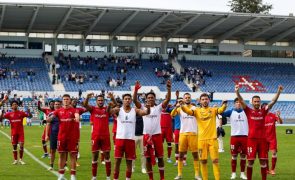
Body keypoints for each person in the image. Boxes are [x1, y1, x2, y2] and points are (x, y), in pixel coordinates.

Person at [235, 85, 283, 180]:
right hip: (251, 141)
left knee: (263, 162)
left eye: (258, 101)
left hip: (263, 141)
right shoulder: (248, 111)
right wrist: (237, 92)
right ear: (252, 102)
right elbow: (241, 100)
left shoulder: (263, 111)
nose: (257, 103)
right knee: (250, 162)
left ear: (260, 102)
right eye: (255, 101)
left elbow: (273, 101)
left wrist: (279, 91)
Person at [181, 93, 228, 180]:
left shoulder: (213, 110)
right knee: (203, 161)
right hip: (201, 141)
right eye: (203, 99)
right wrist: (182, 105)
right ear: (200, 101)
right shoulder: (197, 111)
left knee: (215, 161)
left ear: (209, 100)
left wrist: (224, 104)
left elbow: (221, 110)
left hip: (213, 140)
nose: (205, 101)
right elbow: (188, 111)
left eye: (206, 99)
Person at [133, 80, 171, 180]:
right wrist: (136, 90)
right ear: (146, 99)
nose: (150, 99)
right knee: (148, 159)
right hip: (146, 136)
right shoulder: (142, 107)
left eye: (152, 97)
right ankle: (151, 178)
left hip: (157, 136)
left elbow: (167, 100)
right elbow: (134, 100)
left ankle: (162, 178)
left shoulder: (158, 108)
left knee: (160, 157)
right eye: (148, 97)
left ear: (154, 99)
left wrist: (168, 89)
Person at [109, 93, 150, 180]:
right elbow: (109, 112)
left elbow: (146, 112)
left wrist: (148, 107)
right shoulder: (118, 110)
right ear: (123, 100)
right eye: (125, 99)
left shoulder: (135, 110)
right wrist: (109, 106)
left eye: (129, 99)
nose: (127, 100)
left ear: (131, 100)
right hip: (120, 139)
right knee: (117, 162)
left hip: (130, 140)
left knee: (129, 163)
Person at [83, 92, 116, 180]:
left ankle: (108, 177)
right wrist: (87, 97)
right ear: (96, 101)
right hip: (95, 136)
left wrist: (112, 98)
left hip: (105, 136)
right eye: (99, 100)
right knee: (95, 156)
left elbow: (116, 106)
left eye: (102, 100)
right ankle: (94, 177)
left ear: (104, 101)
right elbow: (85, 104)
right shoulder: (92, 109)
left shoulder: (107, 109)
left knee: (107, 156)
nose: (100, 102)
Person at [47, 94, 80, 180]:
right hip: (61, 137)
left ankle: (73, 175)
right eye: (64, 99)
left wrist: (76, 118)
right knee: (61, 155)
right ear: (62, 101)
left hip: (72, 137)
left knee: (72, 155)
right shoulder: (58, 111)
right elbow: (50, 118)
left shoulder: (74, 110)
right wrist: (48, 119)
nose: (66, 100)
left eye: (67, 99)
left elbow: (77, 116)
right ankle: (61, 174)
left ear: (70, 100)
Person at [171, 93, 201, 180]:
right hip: (183, 133)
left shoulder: (195, 108)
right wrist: (176, 106)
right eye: (186, 98)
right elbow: (172, 115)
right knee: (180, 155)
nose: (187, 99)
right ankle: (179, 174)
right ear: (183, 99)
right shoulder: (180, 108)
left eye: (189, 97)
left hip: (193, 133)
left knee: (195, 154)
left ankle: (197, 174)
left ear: (190, 99)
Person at [222, 98, 248, 180]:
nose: (238, 104)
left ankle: (242, 173)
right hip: (234, 137)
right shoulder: (230, 111)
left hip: (244, 136)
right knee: (234, 156)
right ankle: (233, 173)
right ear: (234, 104)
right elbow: (221, 113)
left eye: (240, 102)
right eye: (237, 102)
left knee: (243, 156)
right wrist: (223, 104)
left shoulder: (246, 111)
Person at [1, 99, 32, 165]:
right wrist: (2, 114)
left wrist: (29, 112)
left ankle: (20, 160)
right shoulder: (9, 114)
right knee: (14, 146)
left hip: (21, 133)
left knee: (21, 145)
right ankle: (15, 160)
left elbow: (30, 116)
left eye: (16, 104)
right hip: (13, 133)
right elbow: (1, 119)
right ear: (11, 106)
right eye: (13, 105)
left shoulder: (21, 113)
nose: (15, 105)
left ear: (17, 105)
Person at [132, 86, 147, 174]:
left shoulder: (143, 113)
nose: (136, 108)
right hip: (133, 136)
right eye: (135, 107)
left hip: (142, 135)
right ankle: (133, 167)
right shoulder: (132, 114)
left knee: (143, 153)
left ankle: (143, 168)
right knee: (133, 153)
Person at [264, 108, 283, 176]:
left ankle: (272, 170)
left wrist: (279, 116)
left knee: (274, 153)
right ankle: (266, 169)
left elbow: (281, 122)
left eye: (267, 108)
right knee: (265, 155)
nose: (266, 109)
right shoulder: (261, 116)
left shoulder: (273, 115)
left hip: (272, 138)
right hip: (264, 139)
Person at [45, 100, 62, 170]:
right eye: (56, 104)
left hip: (62, 134)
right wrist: (46, 135)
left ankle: (63, 166)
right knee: (53, 150)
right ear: (54, 105)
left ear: (60, 105)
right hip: (53, 134)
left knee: (62, 151)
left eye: (58, 104)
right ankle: (51, 165)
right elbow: (48, 124)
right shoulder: (51, 114)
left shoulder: (63, 113)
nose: (57, 105)